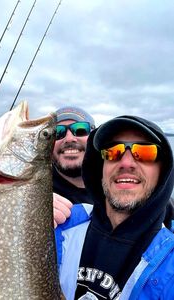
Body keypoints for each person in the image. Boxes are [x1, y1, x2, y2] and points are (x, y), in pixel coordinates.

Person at [55, 115, 174, 299]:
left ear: (163, 171)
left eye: (145, 152)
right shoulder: (61, 224)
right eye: (113, 152)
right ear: (100, 167)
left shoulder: (169, 263)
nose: (126, 163)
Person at [53, 106, 96, 227]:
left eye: (81, 130)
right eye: (57, 132)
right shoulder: (35, 192)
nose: (69, 138)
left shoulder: (113, 185)